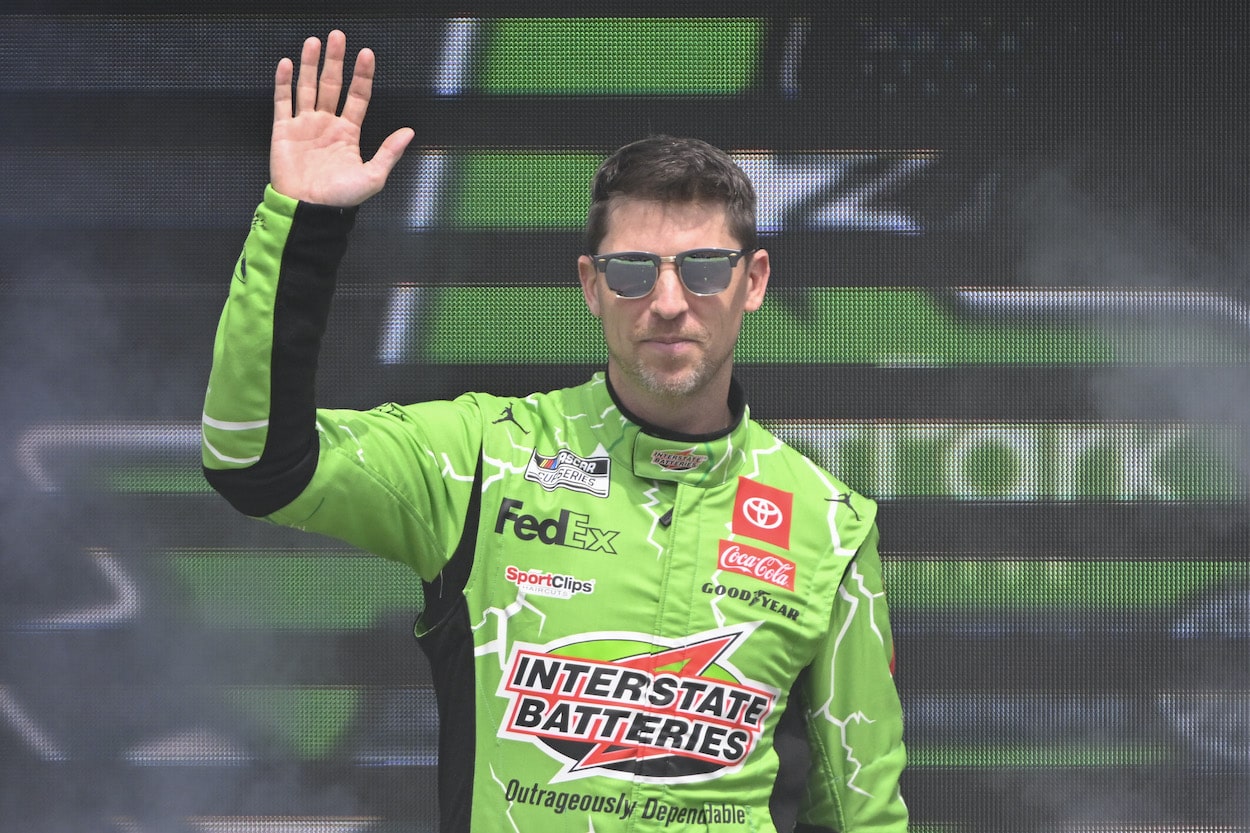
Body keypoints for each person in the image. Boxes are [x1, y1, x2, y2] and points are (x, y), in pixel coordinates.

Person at [202, 30, 908, 833]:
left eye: (704, 269)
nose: (669, 302)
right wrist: (303, 225)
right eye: (634, 269)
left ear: (754, 282)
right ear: (590, 285)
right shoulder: (484, 456)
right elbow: (253, 459)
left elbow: (864, 815)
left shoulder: (832, 525)